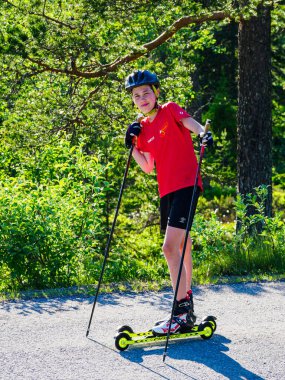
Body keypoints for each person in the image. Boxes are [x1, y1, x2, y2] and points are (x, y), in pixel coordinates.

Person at [124, 69, 213, 335]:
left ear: (156, 93)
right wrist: (132, 146)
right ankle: (187, 307)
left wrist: (202, 134)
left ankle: (181, 311)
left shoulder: (171, 110)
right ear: (133, 100)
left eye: (147, 93)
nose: (142, 98)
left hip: (187, 184)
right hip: (167, 192)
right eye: (137, 95)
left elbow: (193, 125)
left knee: (169, 248)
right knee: (182, 246)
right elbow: (148, 167)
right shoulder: (142, 127)